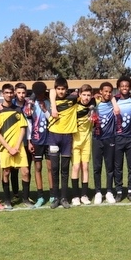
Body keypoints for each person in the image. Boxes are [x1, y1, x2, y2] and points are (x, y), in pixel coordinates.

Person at [0, 83, 30, 209]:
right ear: (3, 94)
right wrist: (8, 148)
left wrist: (17, 146)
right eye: (6, 92)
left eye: (10, 92)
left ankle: (25, 199)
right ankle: (7, 200)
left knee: (25, 171)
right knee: (6, 173)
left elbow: (23, 129)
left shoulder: (18, 109)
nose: (9, 94)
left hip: (18, 147)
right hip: (5, 148)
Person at [48, 77, 79, 208]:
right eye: (58, 89)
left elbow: (89, 96)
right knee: (54, 169)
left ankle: (64, 197)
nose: (60, 91)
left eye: (63, 89)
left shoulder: (73, 99)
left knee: (65, 169)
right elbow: (50, 90)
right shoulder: (52, 98)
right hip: (54, 135)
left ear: (67, 89)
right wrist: (53, 107)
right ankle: (55, 197)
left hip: (67, 137)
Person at [113, 76, 131, 202]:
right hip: (117, 138)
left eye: (127, 86)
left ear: (130, 87)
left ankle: (130, 191)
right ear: (119, 87)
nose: (124, 88)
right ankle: (118, 191)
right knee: (118, 166)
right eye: (122, 86)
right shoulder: (114, 100)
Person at [91, 81, 117, 205]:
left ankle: (109, 191)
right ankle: (98, 192)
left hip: (110, 139)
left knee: (109, 167)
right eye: (105, 91)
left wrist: (113, 100)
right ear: (100, 91)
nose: (107, 93)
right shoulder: (94, 103)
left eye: (109, 92)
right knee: (97, 167)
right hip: (96, 139)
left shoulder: (113, 103)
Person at [29, 81, 53, 208]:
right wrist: (29, 140)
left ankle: (53, 195)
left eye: (41, 94)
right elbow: (28, 123)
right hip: (36, 140)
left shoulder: (50, 102)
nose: (39, 96)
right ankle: (40, 196)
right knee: (38, 168)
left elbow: (53, 120)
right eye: (37, 94)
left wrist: (45, 109)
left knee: (50, 168)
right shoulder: (31, 104)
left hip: (49, 140)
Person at [71, 84, 94, 206]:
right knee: (76, 168)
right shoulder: (74, 107)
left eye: (88, 95)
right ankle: (75, 195)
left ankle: (84, 195)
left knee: (85, 167)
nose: (86, 97)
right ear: (79, 95)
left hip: (86, 141)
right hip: (74, 142)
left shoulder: (92, 108)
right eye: (84, 95)